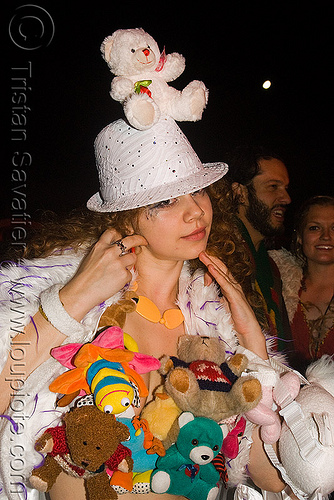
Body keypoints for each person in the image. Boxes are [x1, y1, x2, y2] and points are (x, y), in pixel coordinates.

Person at [0, 117, 290, 500]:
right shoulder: (68, 302)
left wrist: (255, 350)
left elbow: (274, 478)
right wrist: (69, 303)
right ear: (125, 214)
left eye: (197, 193)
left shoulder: (214, 326)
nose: (195, 213)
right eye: (166, 200)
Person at [224, 145, 292, 355]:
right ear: (240, 193)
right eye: (273, 187)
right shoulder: (219, 256)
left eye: (286, 188)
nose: (286, 199)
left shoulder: (270, 268)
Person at [269, 195, 334, 373]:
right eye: (315, 228)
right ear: (299, 237)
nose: (326, 236)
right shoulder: (278, 284)